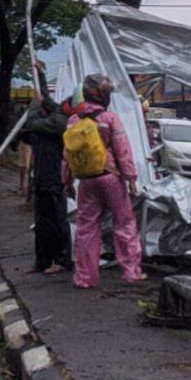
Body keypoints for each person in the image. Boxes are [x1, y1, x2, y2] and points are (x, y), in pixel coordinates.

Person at [62, 73, 146, 289]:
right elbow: (122, 150)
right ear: (102, 95)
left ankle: (84, 278)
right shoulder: (110, 119)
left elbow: (68, 155)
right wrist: (131, 179)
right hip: (110, 177)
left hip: (86, 180)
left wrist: (67, 181)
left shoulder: (73, 121)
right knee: (124, 223)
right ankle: (131, 273)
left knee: (86, 227)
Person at [22, 65, 71, 275]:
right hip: (41, 176)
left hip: (53, 177)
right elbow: (45, 98)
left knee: (57, 220)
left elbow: (32, 122)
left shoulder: (59, 122)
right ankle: (42, 260)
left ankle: (61, 259)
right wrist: (40, 75)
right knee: (41, 222)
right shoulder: (51, 118)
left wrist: (33, 109)